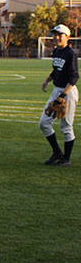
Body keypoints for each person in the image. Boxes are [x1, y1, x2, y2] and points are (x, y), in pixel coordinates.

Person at [40, 24, 79, 167]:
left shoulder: (71, 53)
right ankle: (57, 152)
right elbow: (56, 69)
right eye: (55, 34)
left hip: (68, 91)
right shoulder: (56, 51)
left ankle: (66, 159)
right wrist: (47, 80)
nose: (56, 37)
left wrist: (63, 95)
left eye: (60, 35)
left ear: (67, 37)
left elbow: (74, 77)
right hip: (56, 90)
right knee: (44, 123)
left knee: (66, 126)